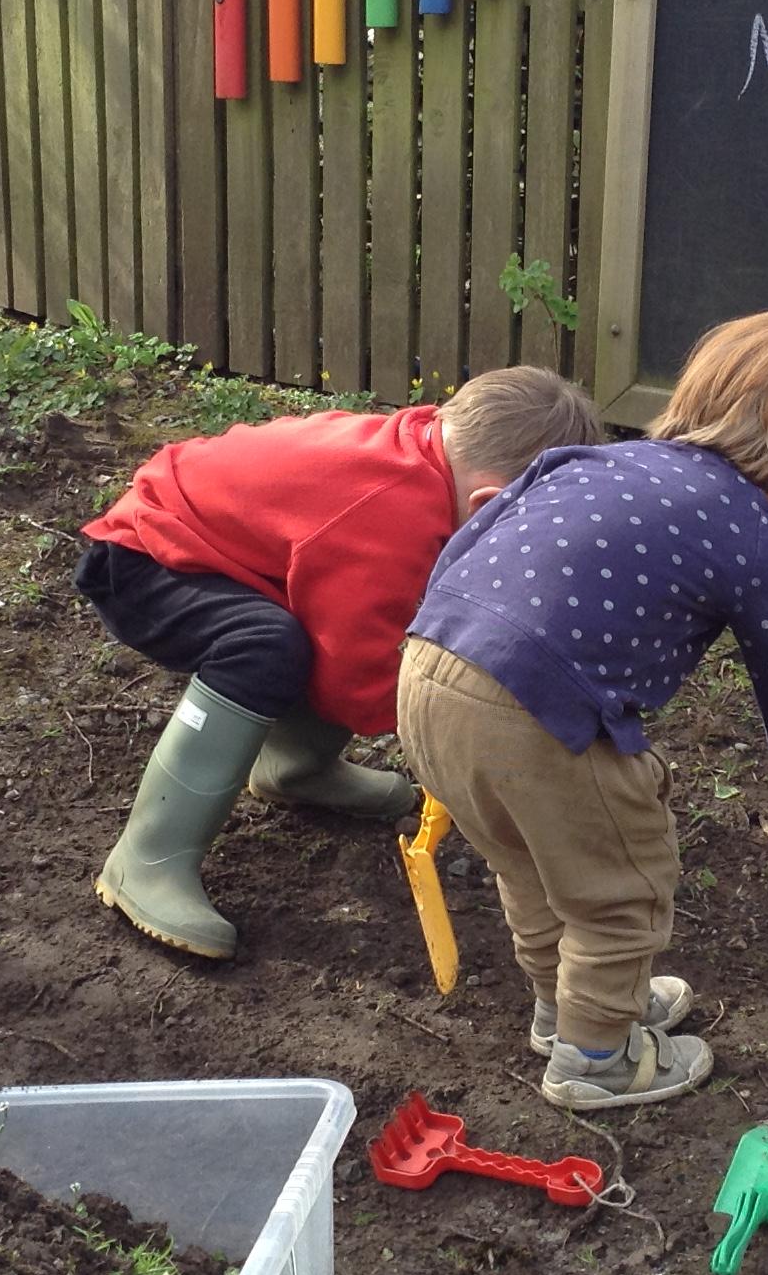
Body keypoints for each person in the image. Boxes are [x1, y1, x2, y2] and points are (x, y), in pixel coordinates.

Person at [395, 310, 768, 1109]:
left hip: (427, 665)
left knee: (532, 863)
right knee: (621, 886)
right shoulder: (752, 531)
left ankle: (567, 1010)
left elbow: (470, 541)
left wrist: (441, 647)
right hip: (538, 709)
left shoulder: (587, 461)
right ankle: (596, 1056)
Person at [77, 367, 605, 959]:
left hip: (221, 546)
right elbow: (354, 679)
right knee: (264, 646)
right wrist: (440, 737)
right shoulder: (391, 516)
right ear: (486, 501)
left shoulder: (429, 458)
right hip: (146, 557)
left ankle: (292, 770)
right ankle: (147, 859)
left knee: (324, 628)